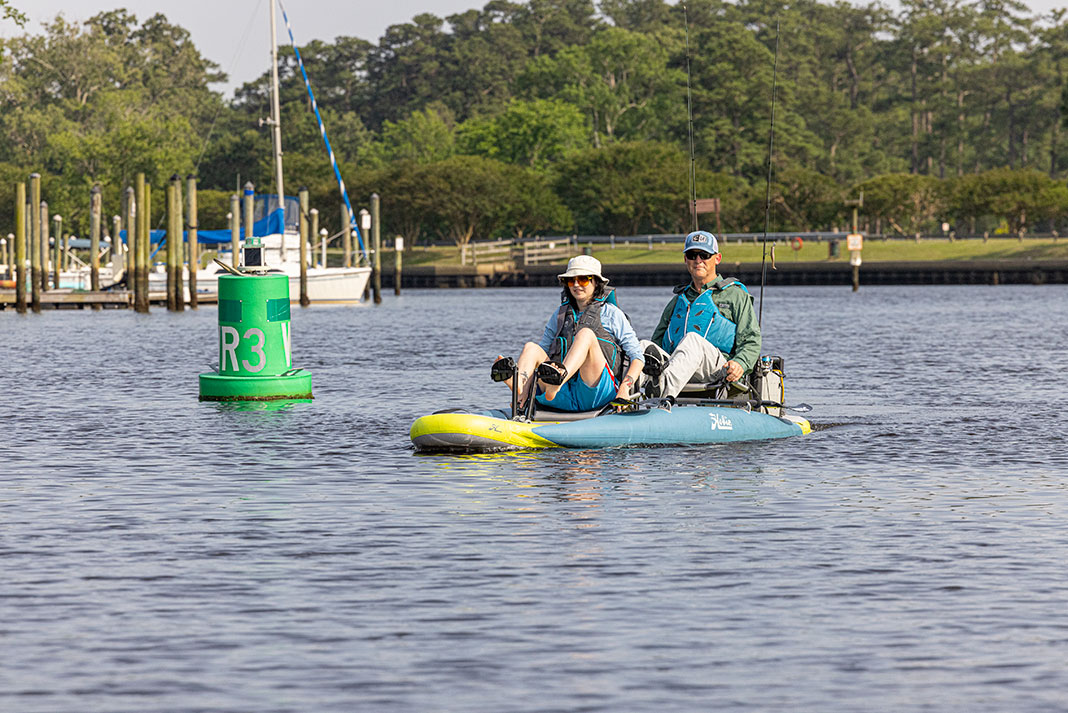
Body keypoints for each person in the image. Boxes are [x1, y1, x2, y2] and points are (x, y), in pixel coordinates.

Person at [493, 255, 645, 414]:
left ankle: (557, 381)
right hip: (559, 395)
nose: (576, 285)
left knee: (585, 334)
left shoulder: (611, 314)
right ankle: (519, 385)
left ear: (596, 282)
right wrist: (525, 392)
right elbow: (541, 355)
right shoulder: (560, 315)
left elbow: (638, 357)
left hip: (596, 393)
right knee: (531, 348)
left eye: (583, 280)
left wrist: (625, 388)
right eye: (571, 281)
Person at [641, 230, 761, 400]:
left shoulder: (735, 296)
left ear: (717, 258)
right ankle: (624, 401)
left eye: (704, 255)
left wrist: (740, 363)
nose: (698, 260)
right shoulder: (678, 300)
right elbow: (656, 344)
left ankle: (660, 395)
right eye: (692, 255)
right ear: (685, 259)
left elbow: (751, 340)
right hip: (677, 367)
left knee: (692, 340)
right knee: (643, 347)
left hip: (719, 370)